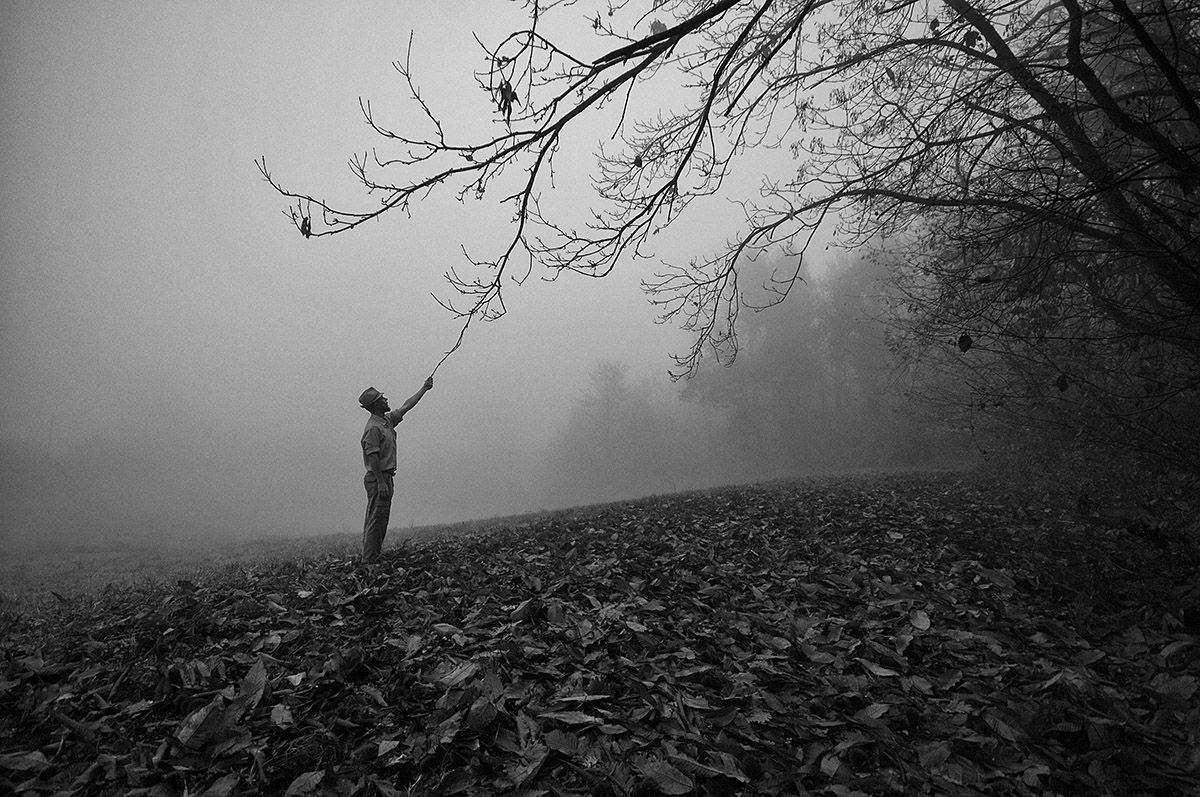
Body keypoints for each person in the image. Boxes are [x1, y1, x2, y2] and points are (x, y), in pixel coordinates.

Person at [358, 376, 433, 563]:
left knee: (380, 518)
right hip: (378, 479)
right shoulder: (373, 428)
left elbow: (406, 406)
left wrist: (424, 388)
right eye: (382, 398)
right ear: (376, 405)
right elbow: (373, 457)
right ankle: (369, 560)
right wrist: (381, 483)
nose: (386, 399)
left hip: (384, 478)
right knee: (376, 519)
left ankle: (373, 556)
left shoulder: (386, 421)